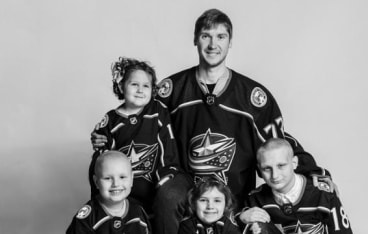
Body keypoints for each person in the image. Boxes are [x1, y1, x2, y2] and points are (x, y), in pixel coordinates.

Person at [92, 8, 334, 234]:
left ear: (230, 42)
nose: (213, 44)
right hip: (187, 187)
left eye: (220, 36)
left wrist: (314, 171)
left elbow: (278, 143)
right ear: (195, 39)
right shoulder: (171, 90)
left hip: (234, 194)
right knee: (167, 194)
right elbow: (136, 120)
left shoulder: (252, 96)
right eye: (206, 36)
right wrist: (107, 133)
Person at [89, 57, 181, 213]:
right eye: (134, 84)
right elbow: (103, 156)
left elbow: (168, 146)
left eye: (146, 86)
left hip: (154, 186)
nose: (140, 90)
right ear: (121, 86)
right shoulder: (111, 120)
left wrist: (166, 176)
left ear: (152, 90)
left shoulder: (157, 112)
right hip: (123, 190)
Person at [239, 139, 352, 234]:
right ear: (259, 169)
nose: (275, 175)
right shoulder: (255, 198)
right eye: (267, 168)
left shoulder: (323, 193)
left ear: (294, 163)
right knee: (255, 225)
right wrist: (240, 218)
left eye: (281, 165)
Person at [66, 151, 151, 234]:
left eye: (122, 177)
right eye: (107, 178)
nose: (116, 184)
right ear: (96, 182)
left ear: (131, 179)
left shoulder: (138, 212)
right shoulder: (88, 218)